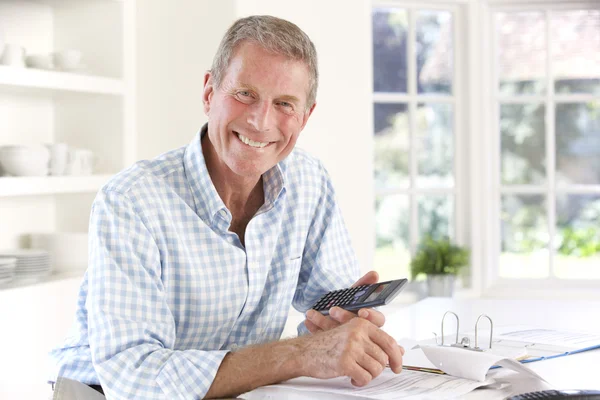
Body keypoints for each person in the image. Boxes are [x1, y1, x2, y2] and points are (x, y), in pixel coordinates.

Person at [49, 15, 404, 399]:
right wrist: (300, 353)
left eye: (284, 104)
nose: (259, 120)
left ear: (305, 117)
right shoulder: (132, 201)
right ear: (208, 92)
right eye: (245, 93)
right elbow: (134, 378)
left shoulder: (309, 182)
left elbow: (321, 321)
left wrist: (339, 328)